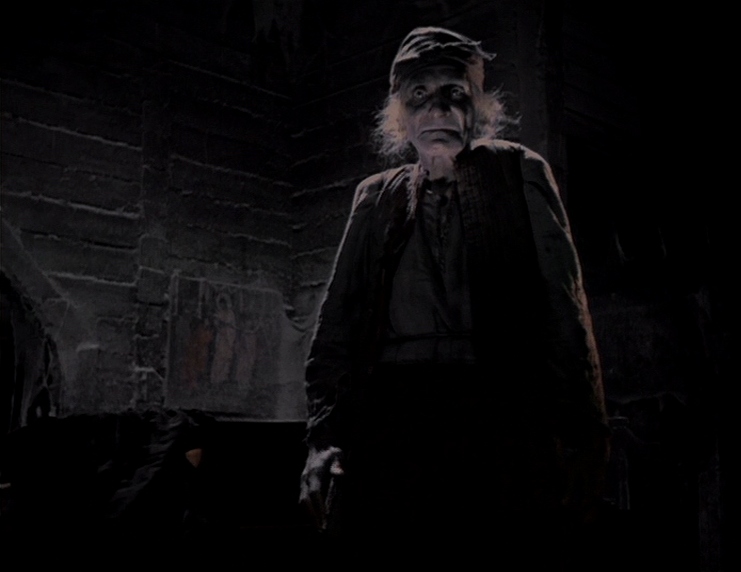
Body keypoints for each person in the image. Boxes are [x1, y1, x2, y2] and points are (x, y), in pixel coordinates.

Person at [299, 26, 609, 560]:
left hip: (497, 416)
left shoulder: (520, 170)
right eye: (419, 94)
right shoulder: (374, 196)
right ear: (401, 115)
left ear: (476, 108)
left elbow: (567, 313)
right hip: (393, 420)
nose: (437, 107)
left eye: (454, 92)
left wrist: (585, 435)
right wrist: (321, 439)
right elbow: (335, 331)